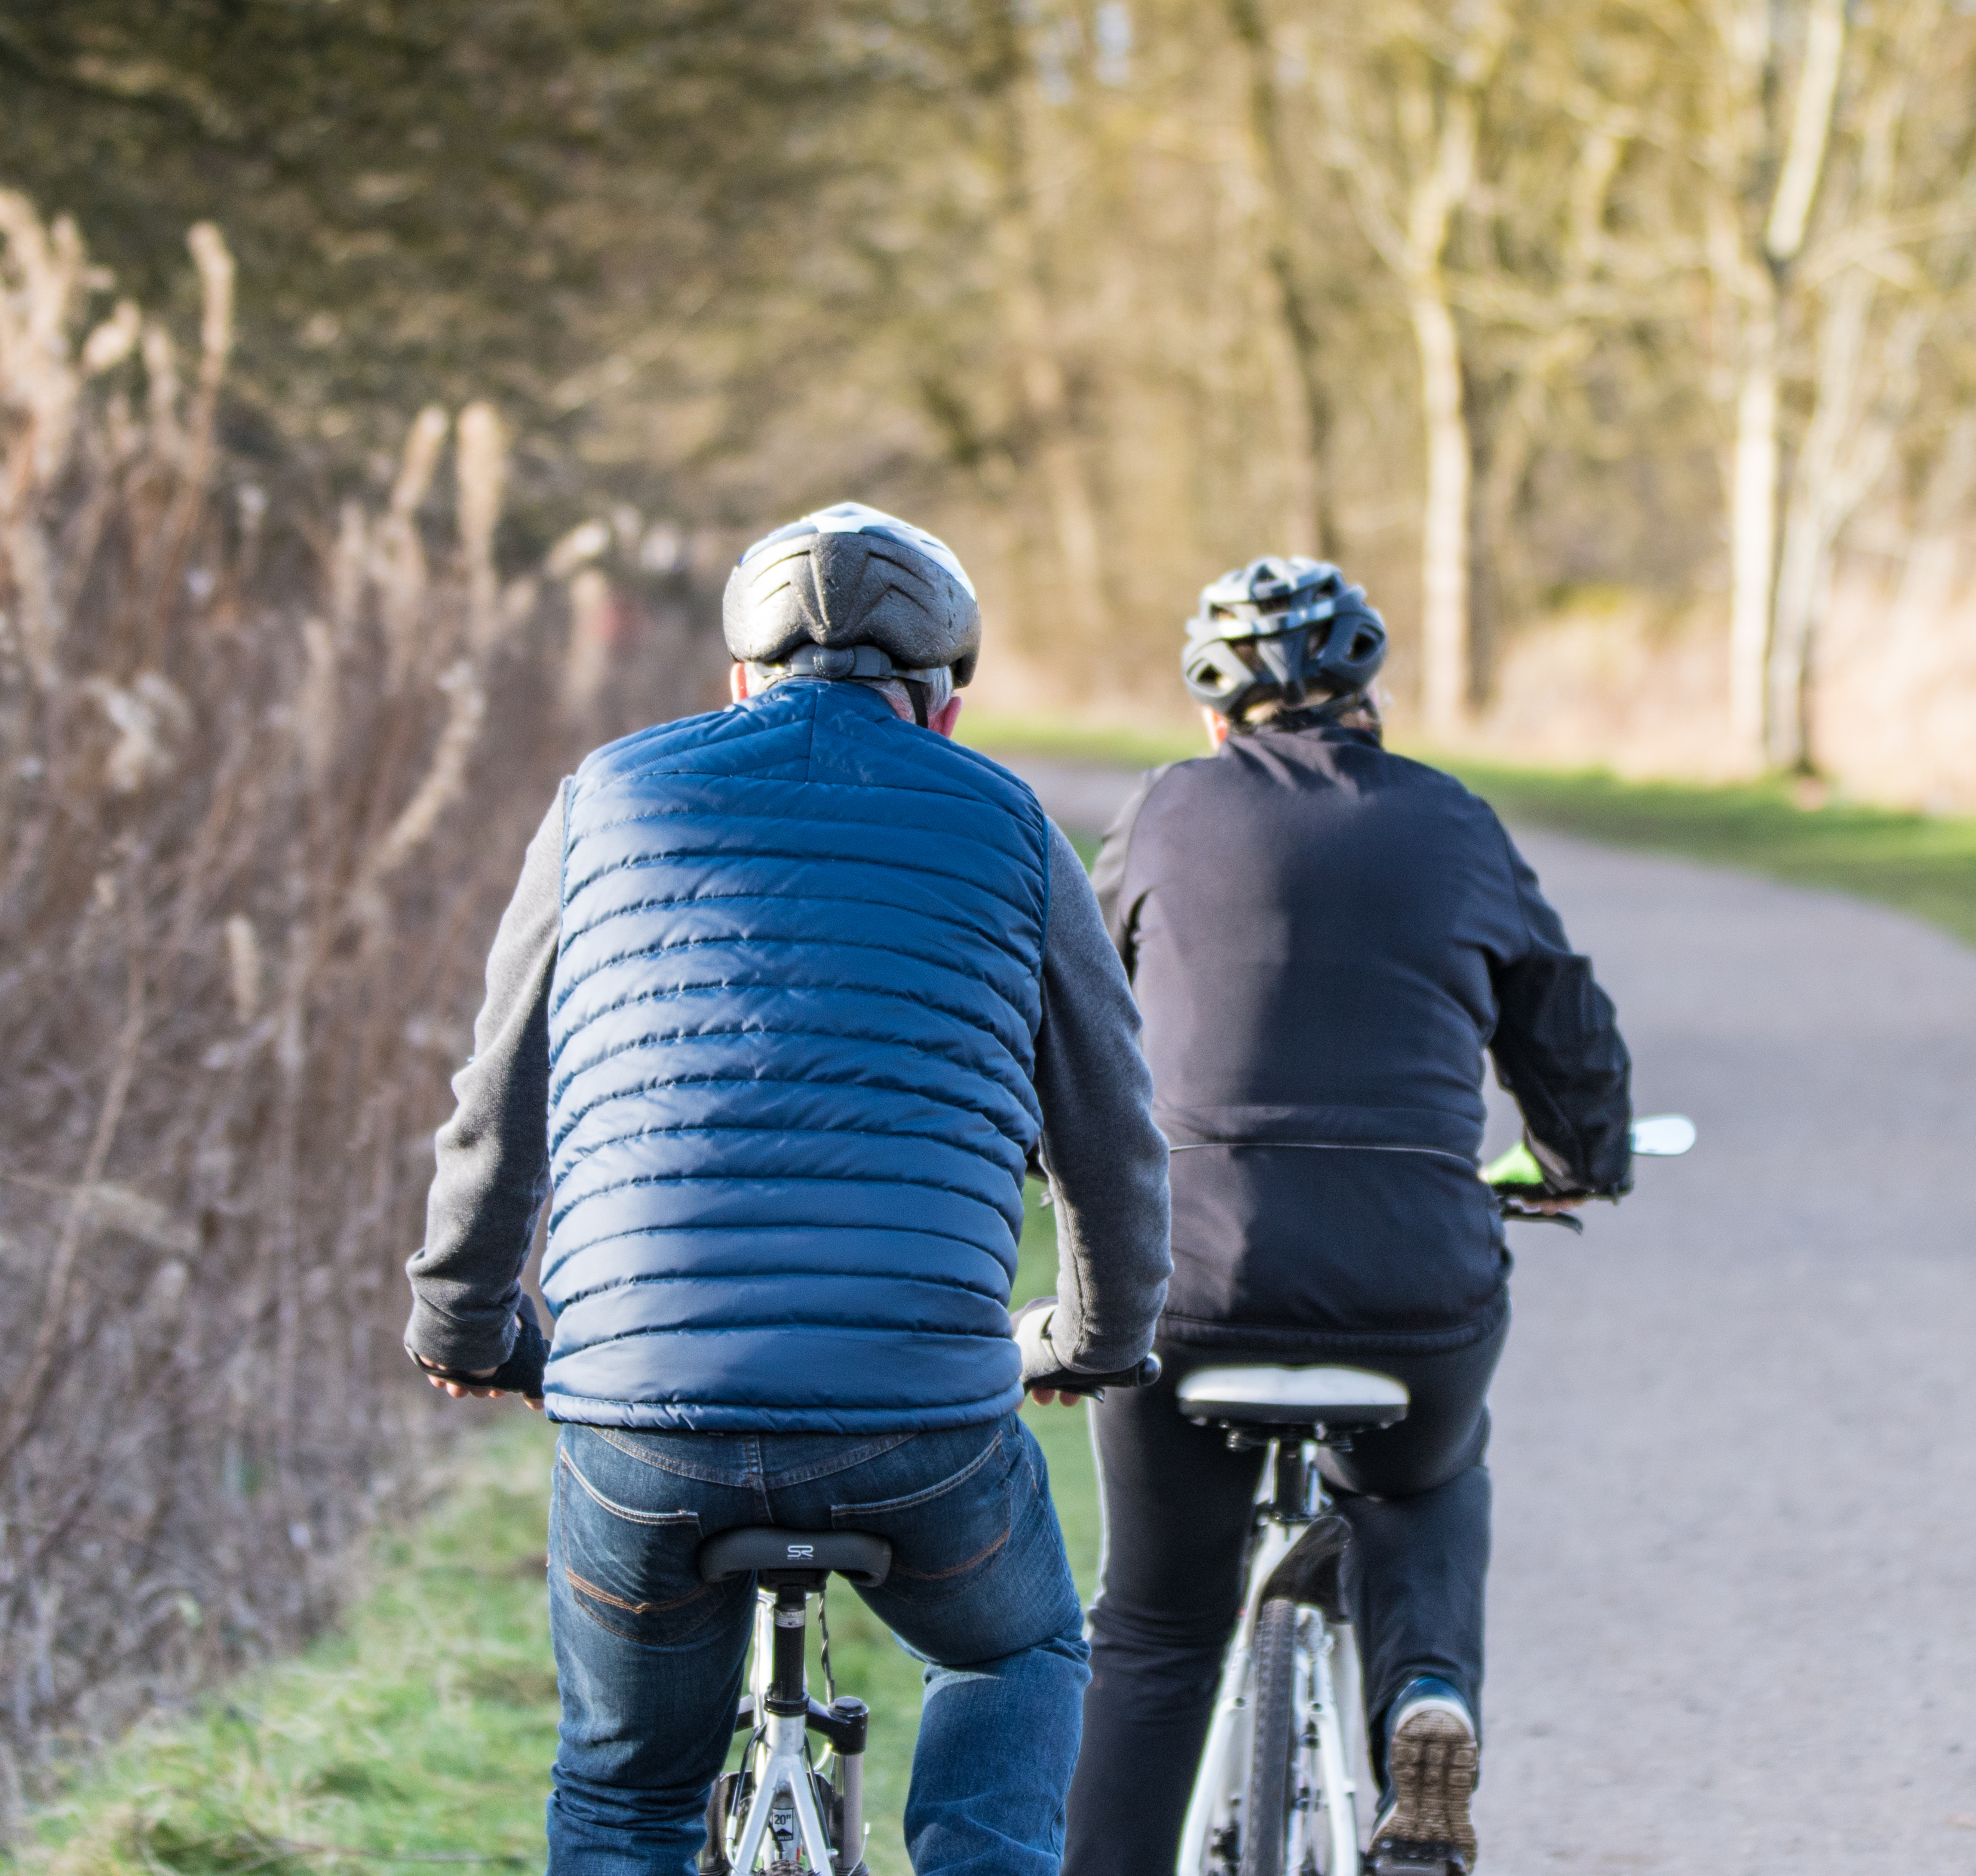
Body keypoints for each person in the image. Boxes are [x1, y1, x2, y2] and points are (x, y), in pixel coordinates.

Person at [401, 503, 1173, 1876]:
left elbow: (500, 1093)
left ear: (739, 681)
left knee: (625, 1798)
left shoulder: (608, 795)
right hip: (919, 1422)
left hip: (645, 1419)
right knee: (1017, 1643)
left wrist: (467, 1325)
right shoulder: (1007, 821)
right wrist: (1092, 1339)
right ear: (939, 707)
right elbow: (1111, 1135)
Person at [1057, 556, 1634, 1876]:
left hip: (1183, 1282)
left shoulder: (1161, 815)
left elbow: (1077, 1016)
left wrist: (1056, 1168)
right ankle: (1425, 1690)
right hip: (1413, 1281)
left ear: (1213, 714)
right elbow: (1565, 1024)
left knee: (1152, 1624)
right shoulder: (1455, 822)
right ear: (1371, 691)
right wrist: (1579, 1157)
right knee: (1424, 1476)